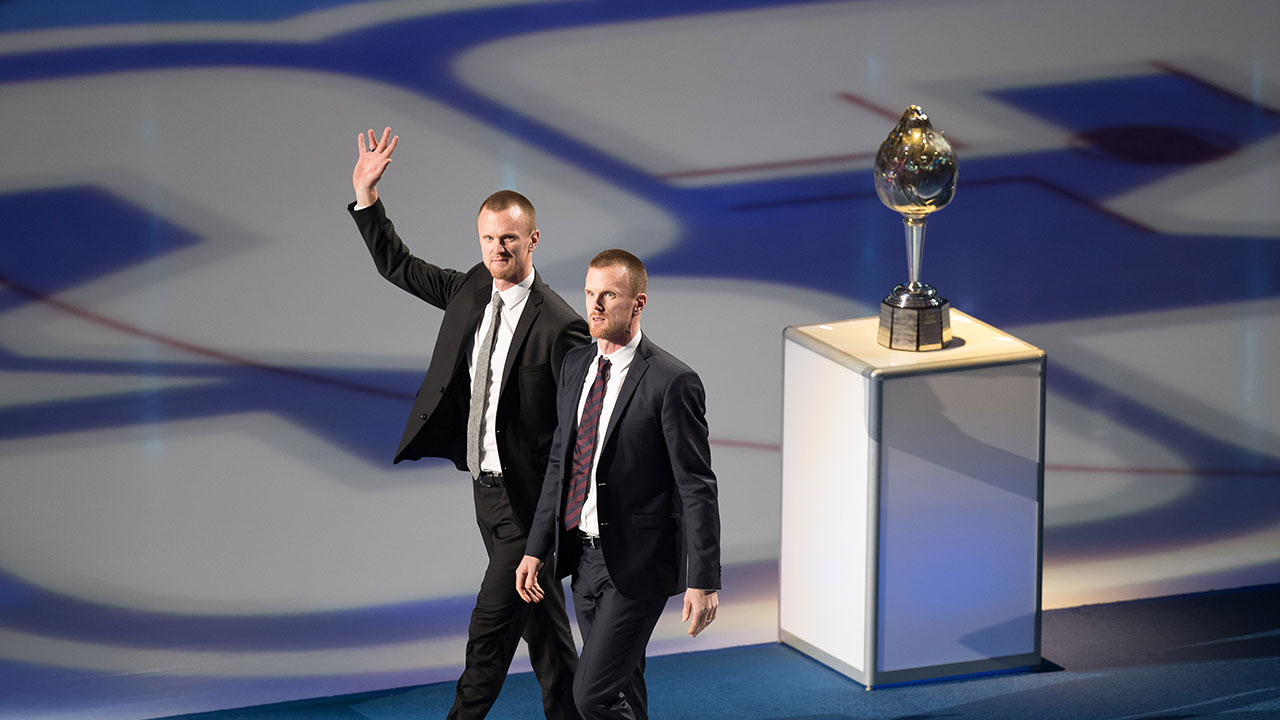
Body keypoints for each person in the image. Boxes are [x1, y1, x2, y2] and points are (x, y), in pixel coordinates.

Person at [349, 127, 588, 720]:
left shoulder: (562, 326)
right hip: (483, 492)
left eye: (508, 239)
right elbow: (398, 267)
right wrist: (367, 198)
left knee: (489, 635)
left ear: (533, 240)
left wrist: (552, 523)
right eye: (487, 238)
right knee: (547, 633)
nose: (496, 250)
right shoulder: (472, 288)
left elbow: (573, 432)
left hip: (527, 506)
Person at [515, 249, 722, 720]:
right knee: (624, 686)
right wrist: (536, 547)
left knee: (592, 696)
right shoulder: (574, 366)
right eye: (590, 293)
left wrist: (703, 580)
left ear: (638, 303)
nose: (596, 304)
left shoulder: (672, 381)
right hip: (583, 562)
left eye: (609, 294)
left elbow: (697, 487)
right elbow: (559, 466)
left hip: (638, 565)